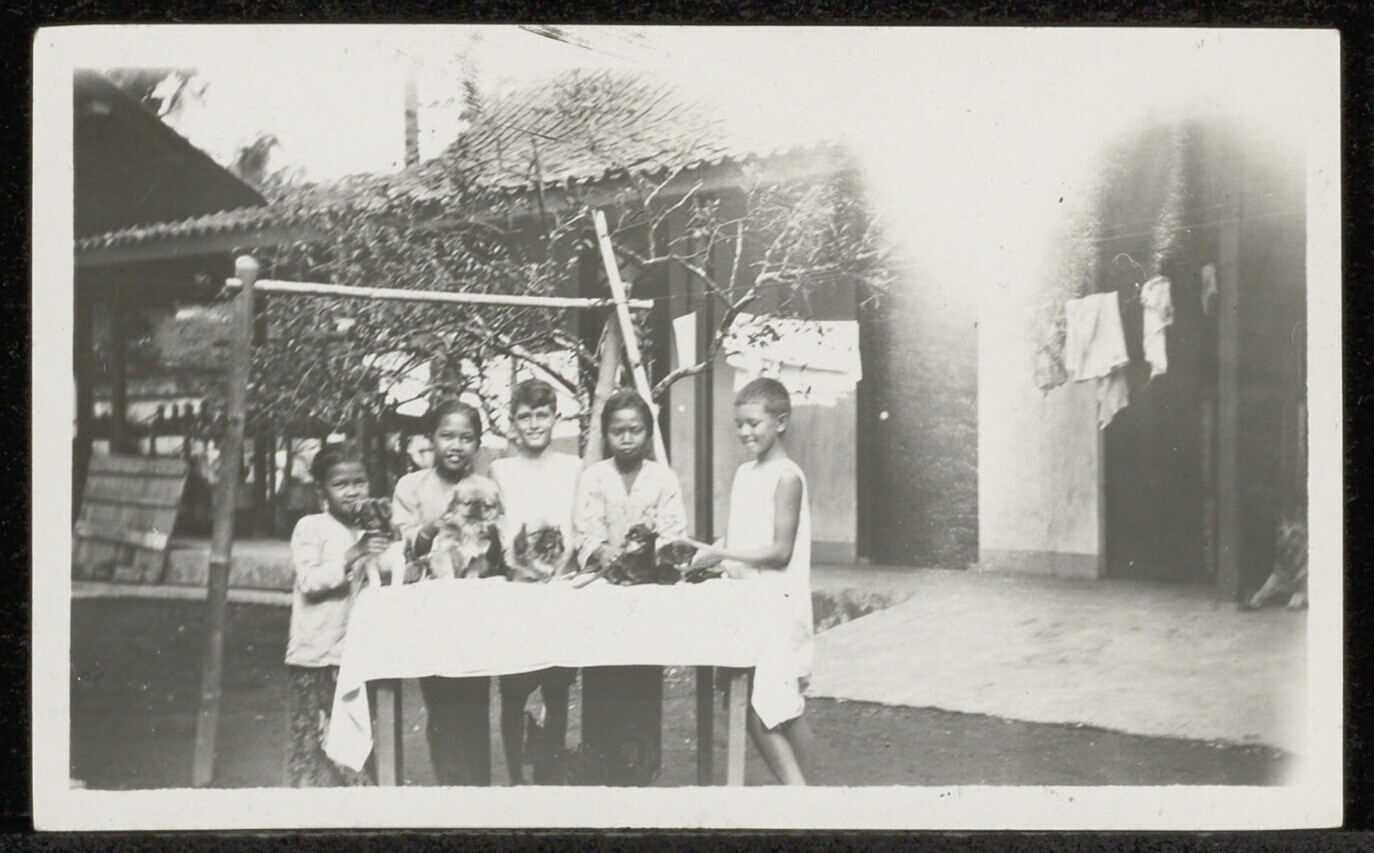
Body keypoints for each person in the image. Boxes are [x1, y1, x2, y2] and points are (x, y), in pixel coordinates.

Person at [683, 377, 815, 785]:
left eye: (753, 423)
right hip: (746, 601)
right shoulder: (744, 473)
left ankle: (803, 794)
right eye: (739, 424)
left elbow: (780, 551)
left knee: (768, 707)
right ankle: (819, 796)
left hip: (778, 603)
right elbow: (736, 538)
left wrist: (721, 555)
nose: (744, 432)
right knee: (751, 701)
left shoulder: (787, 477)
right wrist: (698, 555)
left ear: (781, 422)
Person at [572, 388, 688, 785]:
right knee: (603, 679)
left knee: (641, 678)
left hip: (647, 597)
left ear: (648, 433)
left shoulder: (663, 478)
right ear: (606, 434)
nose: (626, 438)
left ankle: (642, 772)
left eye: (635, 430)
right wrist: (604, 553)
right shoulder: (594, 477)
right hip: (604, 595)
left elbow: (673, 534)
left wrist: (649, 558)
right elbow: (585, 532)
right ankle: (599, 770)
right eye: (617, 431)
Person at [391, 399, 493, 786]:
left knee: (475, 698)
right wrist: (436, 524)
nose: (456, 445)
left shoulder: (484, 487)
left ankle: (477, 790)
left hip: (473, 613)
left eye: (466, 438)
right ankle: (449, 787)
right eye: (446, 436)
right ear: (430, 439)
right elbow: (403, 547)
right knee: (440, 701)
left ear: (477, 443)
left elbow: (494, 547)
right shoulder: (411, 487)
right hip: (428, 613)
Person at [488, 379, 583, 784]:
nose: (533, 424)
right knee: (514, 691)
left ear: (555, 418)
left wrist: (560, 565)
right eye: (524, 417)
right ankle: (515, 778)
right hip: (519, 591)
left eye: (541, 415)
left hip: (560, 587)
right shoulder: (501, 469)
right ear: (512, 422)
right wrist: (523, 565)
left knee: (557, 690)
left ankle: (549, 773)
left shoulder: (573, 467)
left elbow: (576, 523)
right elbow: (501, 529)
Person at [284, 442, 385, 787]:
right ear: (321, 490)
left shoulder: (372, 529)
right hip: (316, 657)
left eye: (359, 482)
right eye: (341, 484)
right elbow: (310, 581)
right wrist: (354, 553)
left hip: (357, 657)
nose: (352, 491)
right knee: (314, 745)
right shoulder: (310, 527)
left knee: (356, 744)